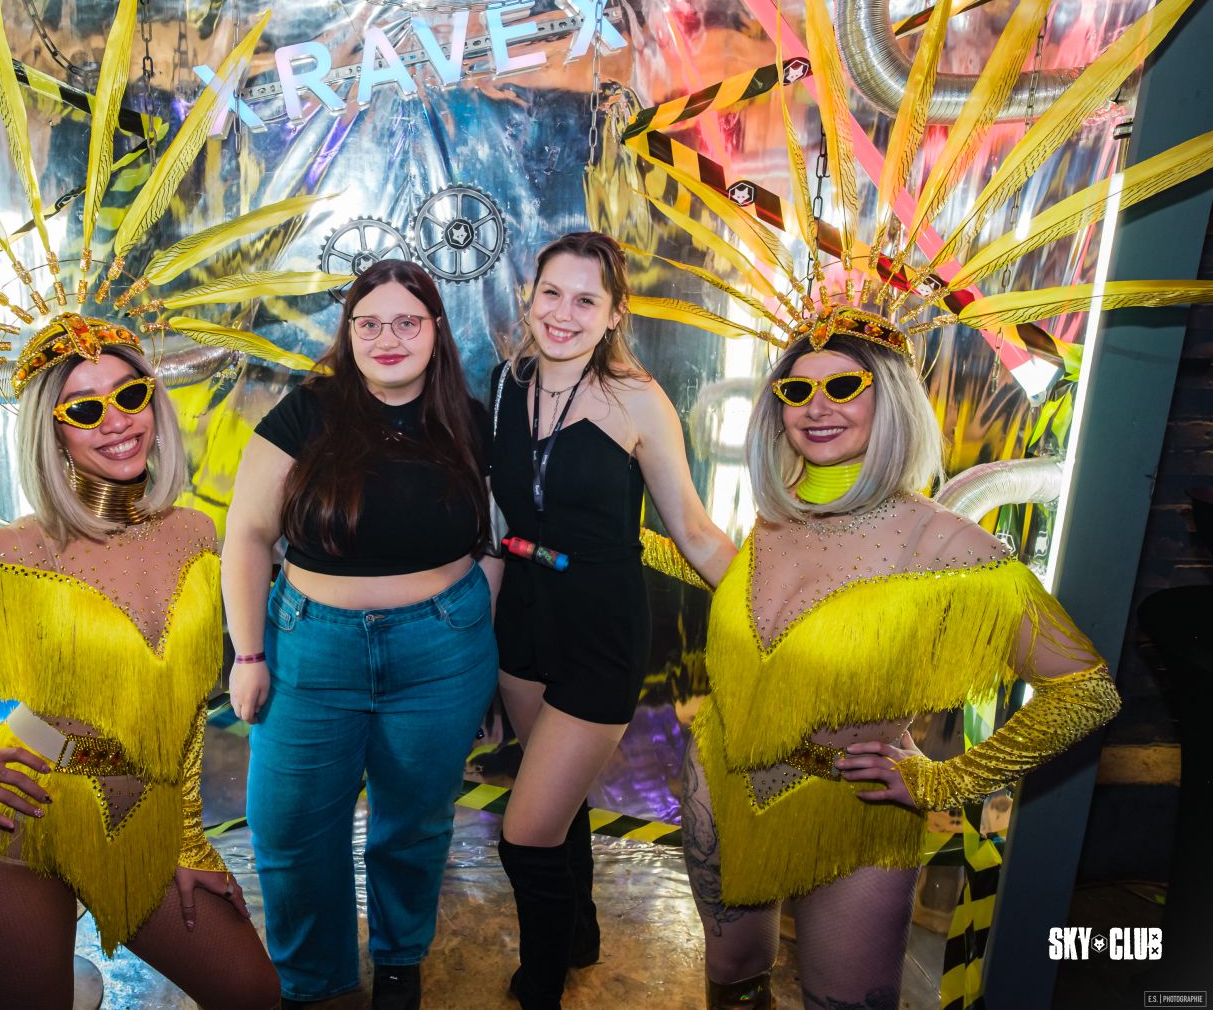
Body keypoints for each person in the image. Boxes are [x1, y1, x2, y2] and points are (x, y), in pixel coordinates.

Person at [0, 314, 280, 1010]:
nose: (116, 421)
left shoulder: (195, 535)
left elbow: (186, 706)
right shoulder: (9, 554)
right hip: (10, 829)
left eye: (129, 395)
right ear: (52, 430)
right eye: (84, 409)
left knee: (252, 993)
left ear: (153, 402)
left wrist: (189, 838)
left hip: (143, 823)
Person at [679, 307, 1121, 1009]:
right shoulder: (776, 516)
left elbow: (1086, 688)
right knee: (732, 977)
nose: (816, 408)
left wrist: (947, 781)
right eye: (796, 391)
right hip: (721, 783)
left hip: (856, 809)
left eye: (843, 387)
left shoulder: (945, 543)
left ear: (890, 398)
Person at [223, 259, 495, 1010]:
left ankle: (401, 960)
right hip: (311, 649)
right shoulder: (306, 413)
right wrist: (248, 654)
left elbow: (491, 546)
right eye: (368, 323)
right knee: (290, 830)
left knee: (415, 823)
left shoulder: (468, 420)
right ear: (348, 332)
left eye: (406, 321)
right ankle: (317, 984)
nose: (387, 338)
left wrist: (483, 653)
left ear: (435, 329)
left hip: (443, 649)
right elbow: (246, 536)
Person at [486, 231, 736, 1009]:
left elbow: (694, 531)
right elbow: (494, 522)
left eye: (585, 300)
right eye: (551, 293)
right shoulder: (503, 384)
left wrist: (775, 608)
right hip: (522, 625)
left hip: (601, 634)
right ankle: (580, 932)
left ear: (614, 314)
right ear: (529, 295)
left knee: (526, 832)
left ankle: (540, 987)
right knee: (556, 803)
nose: (563, 314)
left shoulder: (638, 400)